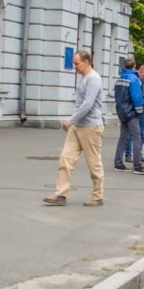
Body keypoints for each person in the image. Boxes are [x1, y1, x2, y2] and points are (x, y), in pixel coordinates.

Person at [43, 50, 105, 206]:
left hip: (91, 127)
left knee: (94, 163)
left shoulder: (94, 78)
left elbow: (88, 105)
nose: (74, 67)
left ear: (86, 62)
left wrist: (70, 121)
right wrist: (73, 122)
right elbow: (81, 106)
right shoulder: (85, 79)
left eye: (77, 64)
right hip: (78, 126)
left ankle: (97, 196)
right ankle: (60, 195)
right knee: (65, 159)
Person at [112, 56, 144, 176]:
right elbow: (136, 97)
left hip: (122, 111)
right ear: (134, 67)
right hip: (131, 112)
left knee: (123, 137)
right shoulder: (134, 79)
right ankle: (138, 165)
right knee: (137, 137)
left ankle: (118, 162)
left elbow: (118, 96)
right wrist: (139, 111)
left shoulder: (119, 78)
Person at [124, 63, 144, 166]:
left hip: (142, 111)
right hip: (133, 111)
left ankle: (139, 155)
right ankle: (128, 155)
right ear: (140, 72)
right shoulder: (134, 80)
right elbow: (134, 96)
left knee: (141, 133)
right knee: (130, 134)